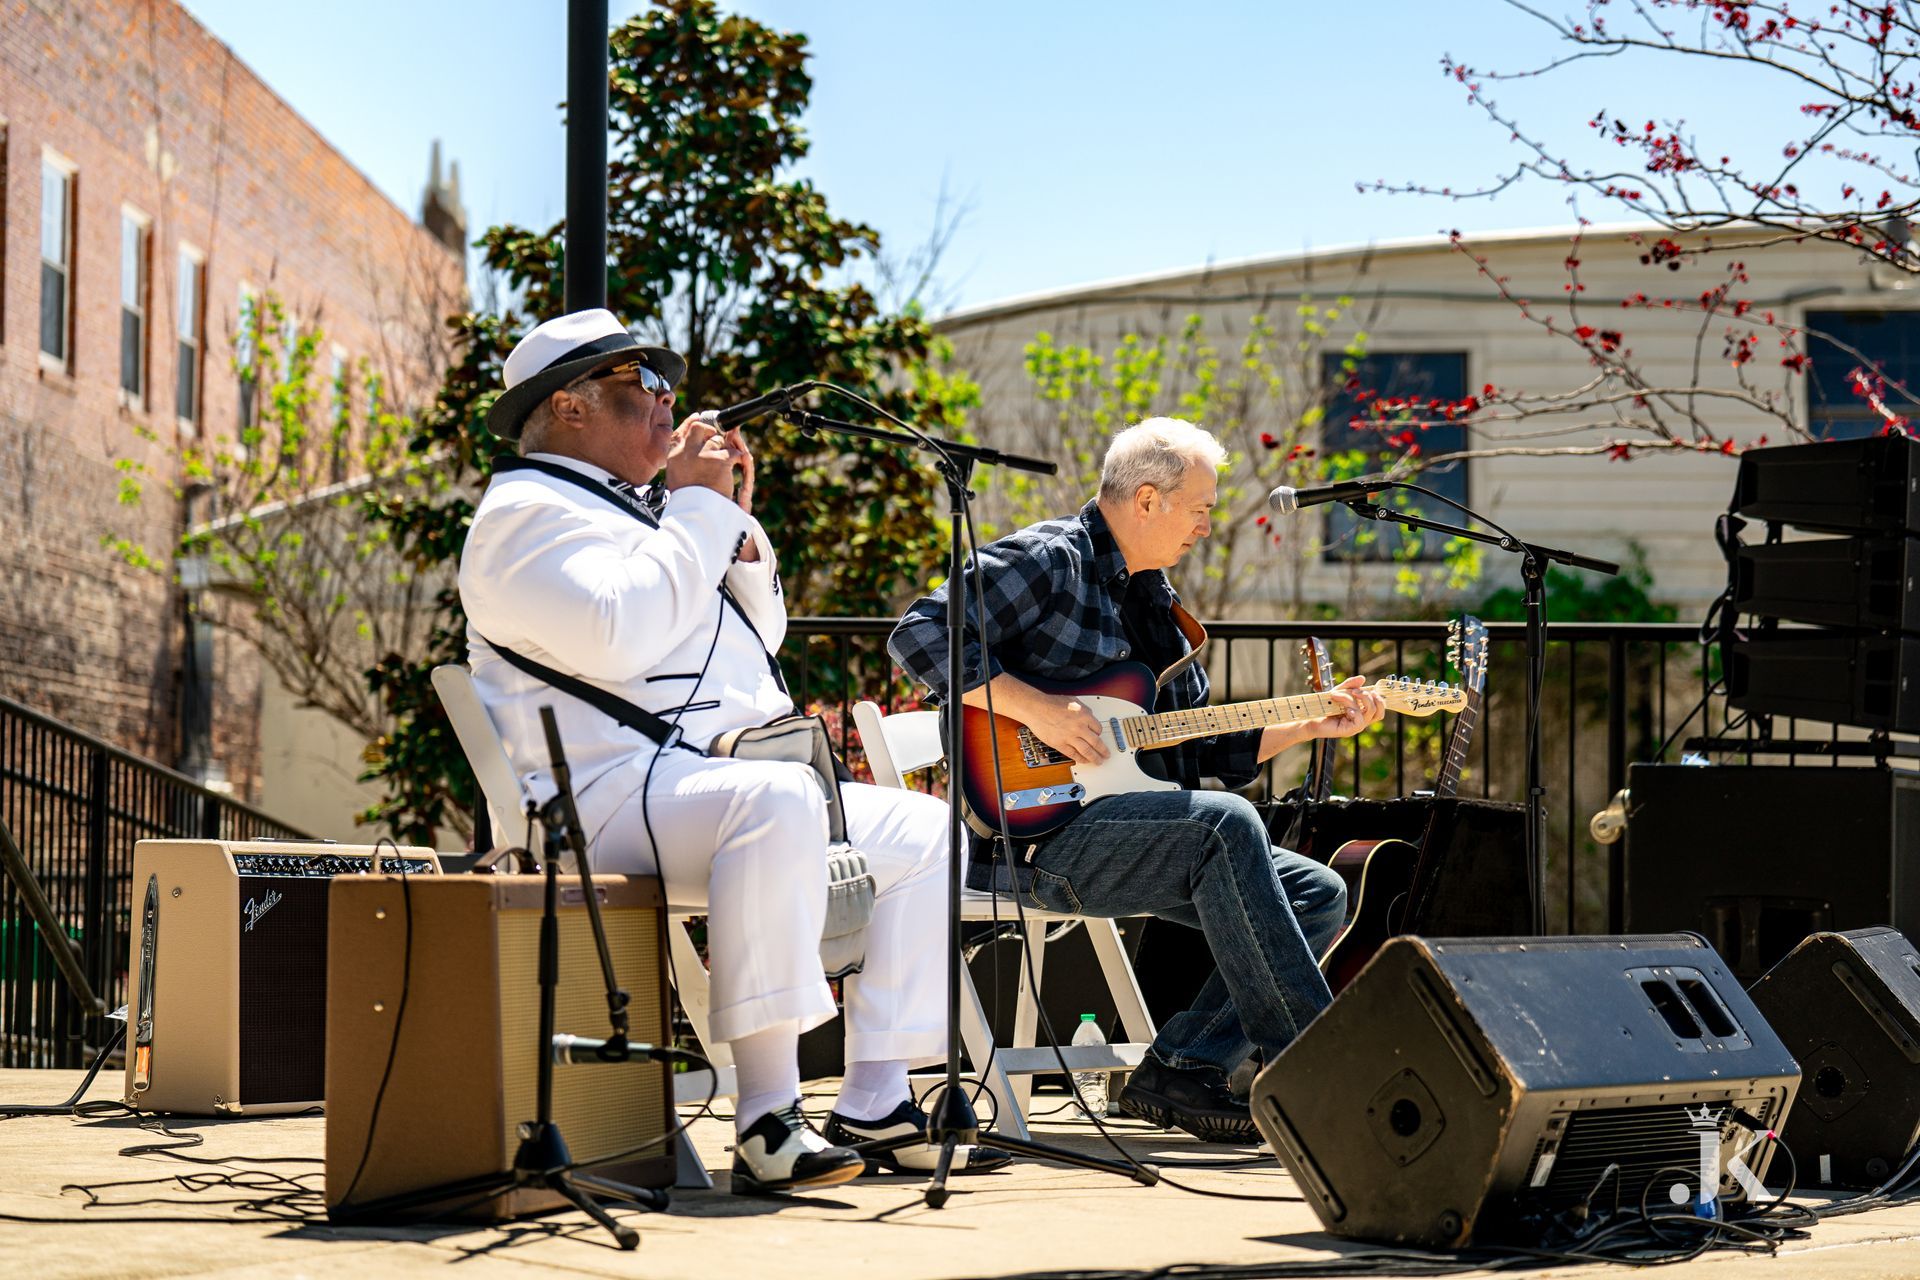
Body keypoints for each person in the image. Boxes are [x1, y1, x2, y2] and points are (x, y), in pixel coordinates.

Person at [460, 309, 1008, 1194]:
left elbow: (756, 639)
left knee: (924, 831)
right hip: (594, 795)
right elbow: (616, 635)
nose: (670, 407)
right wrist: (699, 510)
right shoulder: (526, 512)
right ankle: (767, 1115)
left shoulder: (641, 511)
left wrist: (732, 530)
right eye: (647, 388)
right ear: (568, 406)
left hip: (690, 785)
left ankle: (876, 1094)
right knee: (776, 800)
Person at [887, 417, 1384, 1143]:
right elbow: (921, 632)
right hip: (1032, 838)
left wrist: (1310, 723)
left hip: (1123, 829)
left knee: (1321, 890)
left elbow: (1195, 746)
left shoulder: (1158, 607)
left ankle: (1180, 1064)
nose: (1207, 527)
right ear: (1147, 499)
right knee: (1226, 822)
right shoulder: (1052, 559)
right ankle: (1314, 1077)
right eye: (1201, 509)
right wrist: (1037, 711)